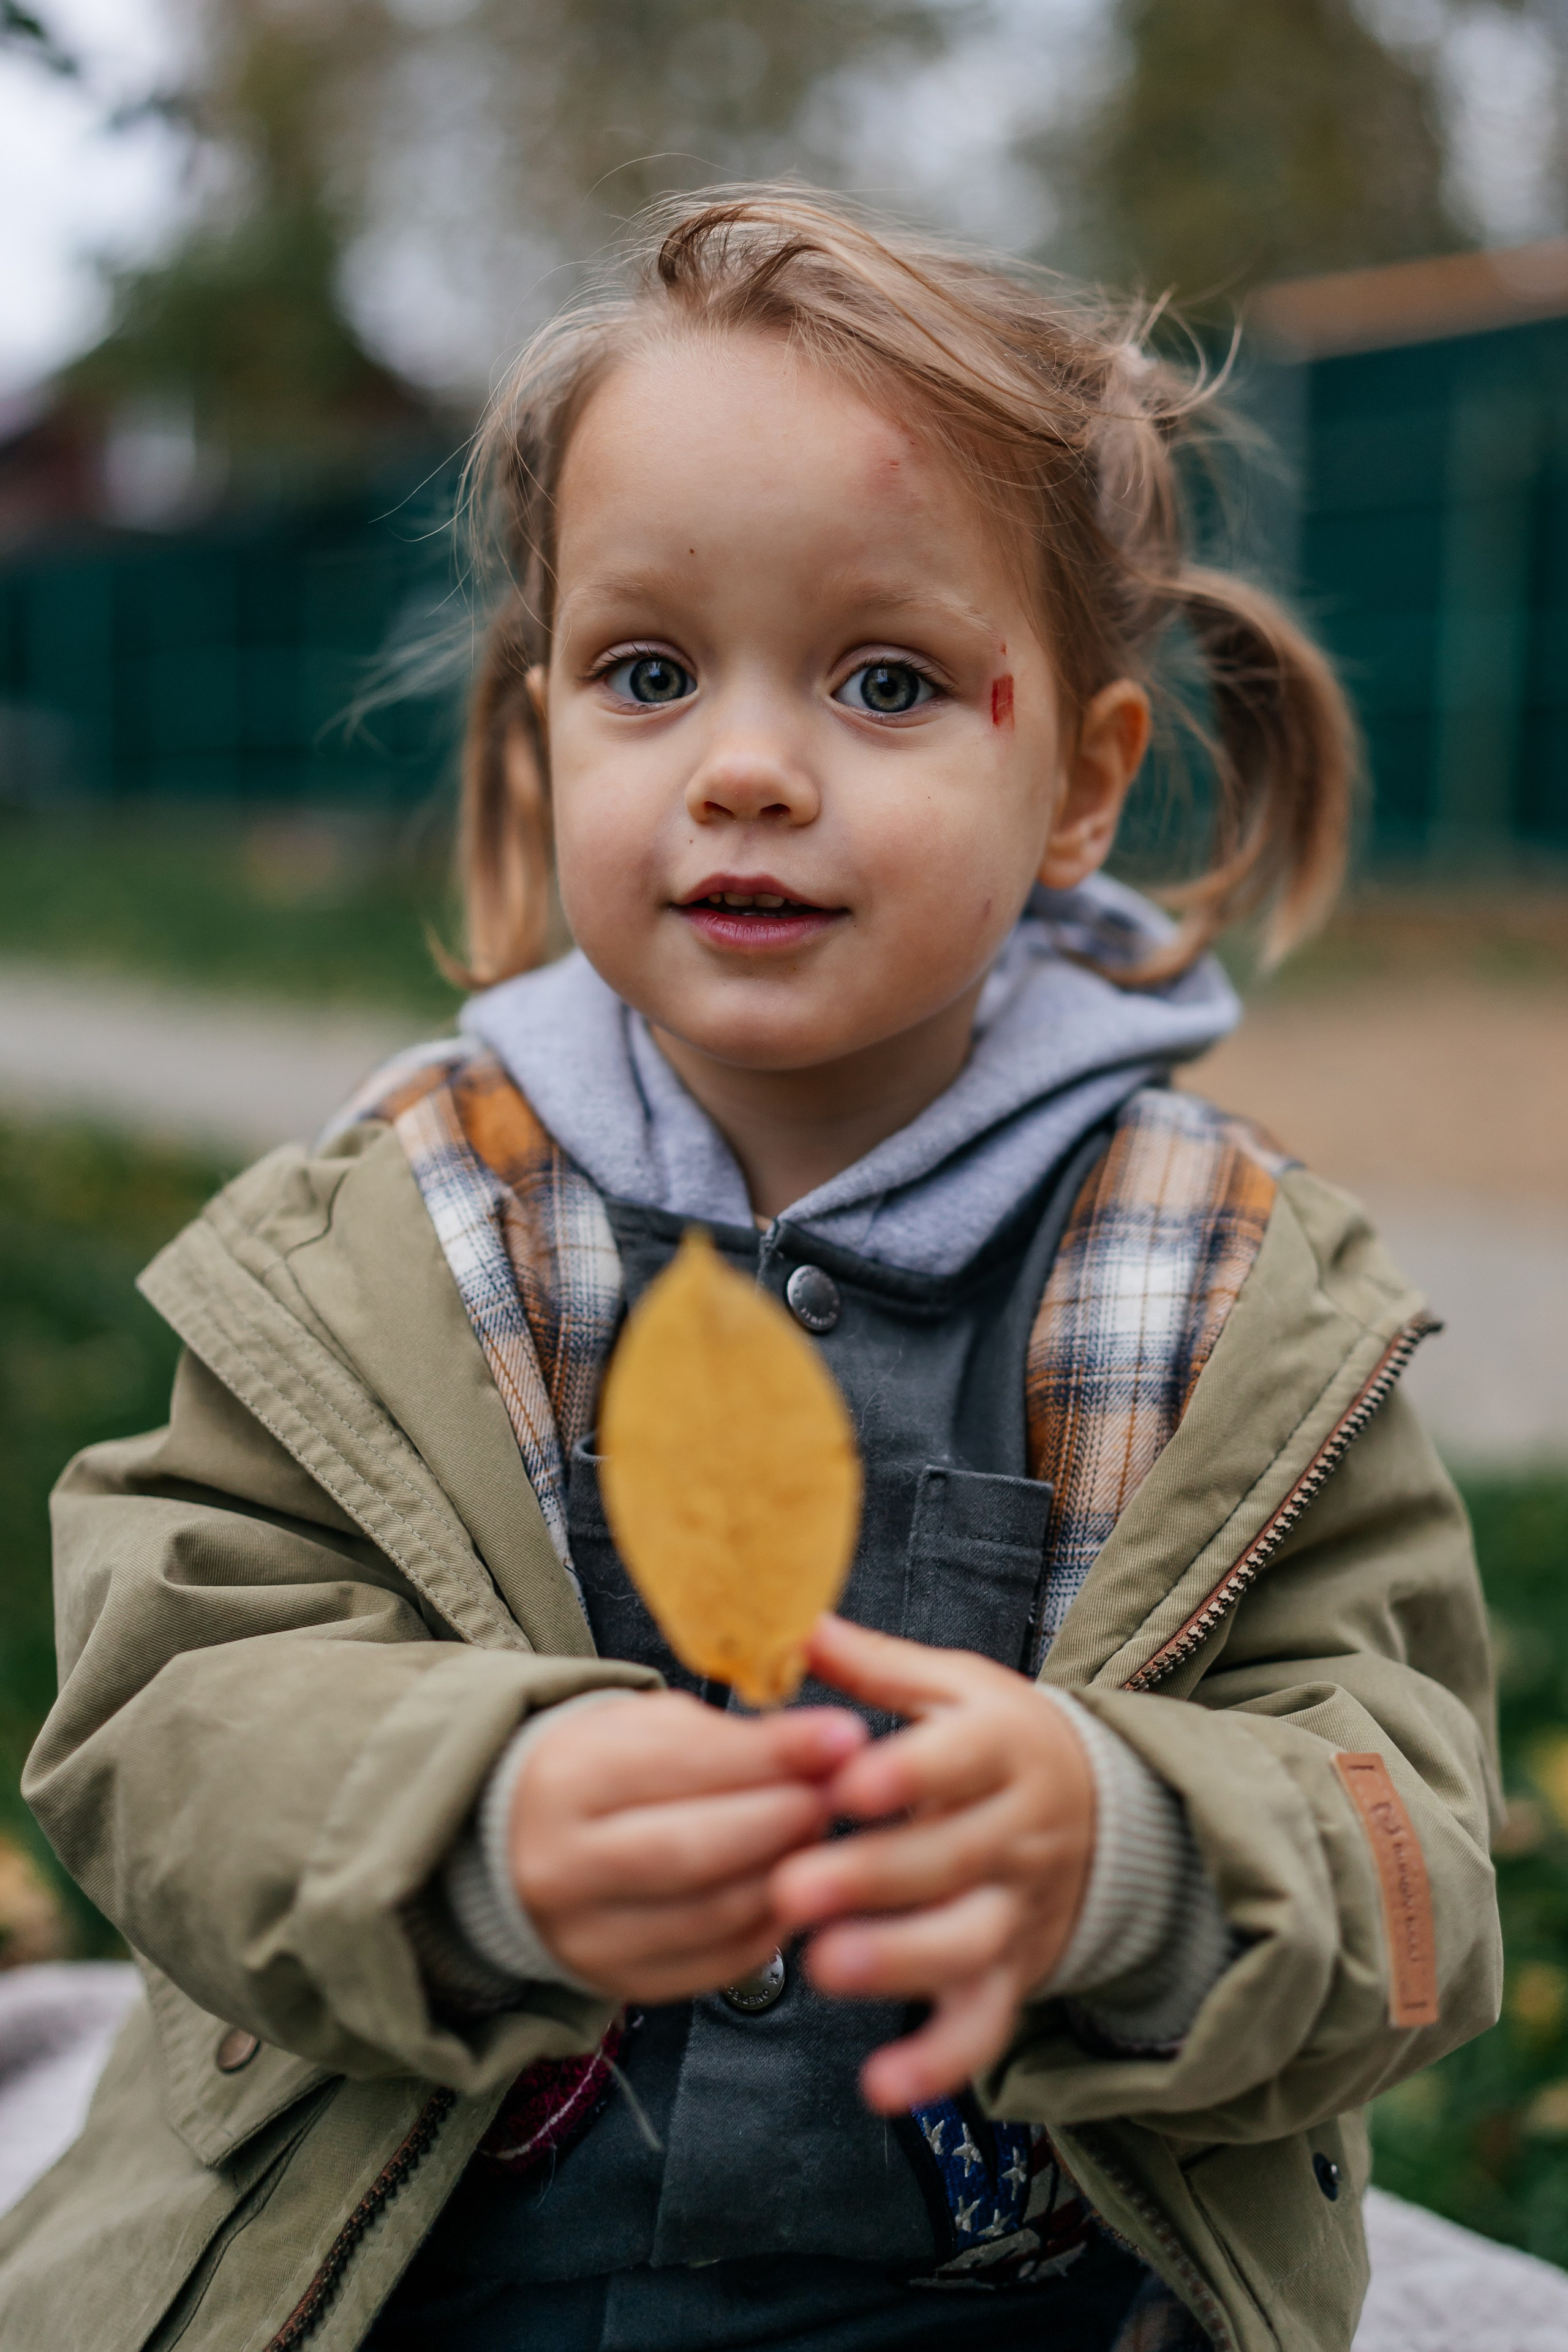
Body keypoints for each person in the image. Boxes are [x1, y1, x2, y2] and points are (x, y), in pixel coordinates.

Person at [0, 190, 1500, 2352]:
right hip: (421, 2288)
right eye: (646, 672)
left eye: (885, 679)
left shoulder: (1222, 1297)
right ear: (540, 734)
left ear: (1078, 783)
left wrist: (1134, 1848)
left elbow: (1415, 1842)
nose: (747, 768)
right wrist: (473, 1819)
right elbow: (162, 1717)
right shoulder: (399, 1243)